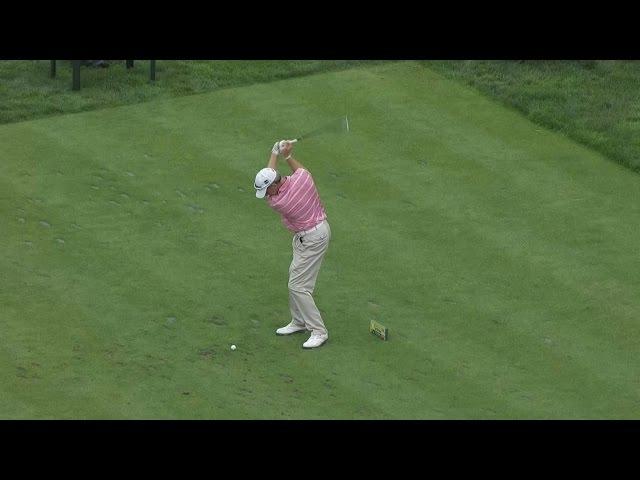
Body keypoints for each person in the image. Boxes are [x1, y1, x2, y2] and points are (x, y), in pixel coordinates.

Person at [254, 140, 331, 349]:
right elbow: (294, 170)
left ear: (275, 186)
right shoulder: (303, 179)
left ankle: (318, 331)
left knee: (298, 286)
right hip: (308, 235)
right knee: (294, 279)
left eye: (267, 191)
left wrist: (275, 153)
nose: (266, 196)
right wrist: (284, 154)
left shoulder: (279, 202)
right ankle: (299, 322)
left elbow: (271, 174)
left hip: (314, 238)